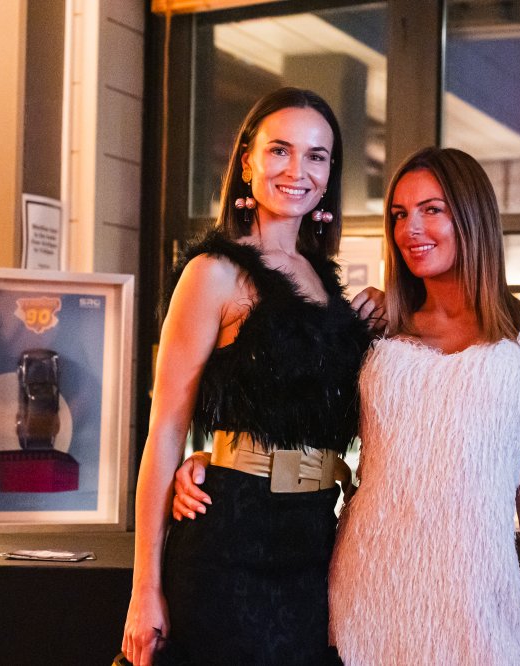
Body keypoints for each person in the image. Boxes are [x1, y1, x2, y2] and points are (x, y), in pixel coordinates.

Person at [175, 147, 520, 665]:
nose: (411, 229)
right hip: (368, 585)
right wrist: (222, 461)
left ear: (472, 216)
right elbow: (299, 414)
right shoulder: (377, 328)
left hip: (481, 595)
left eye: (432, 209)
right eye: (399, 215)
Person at [121, 87, 379, 666]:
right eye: (279, 150)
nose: (297, 170)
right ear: (246, 162)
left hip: (314, 543)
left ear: (330, 173)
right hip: (230, 542)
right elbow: (165, 429)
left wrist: (380, 312)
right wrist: (144, 590)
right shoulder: (212, 272)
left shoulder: (327, 284)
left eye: (316, 156)